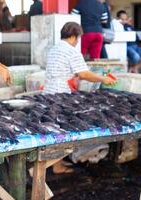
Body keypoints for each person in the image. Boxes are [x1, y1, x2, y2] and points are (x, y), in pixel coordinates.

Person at [44, 22, 116, 173]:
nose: (78, 41)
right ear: (73, 36)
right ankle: (45, 167)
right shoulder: (71, 51)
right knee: (67, 132)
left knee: (55, 130)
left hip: (48, 93)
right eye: (78, 38)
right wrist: (103, 79)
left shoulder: (54, 49)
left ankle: (57, 165)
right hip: (61, 95)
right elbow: (84, 74)